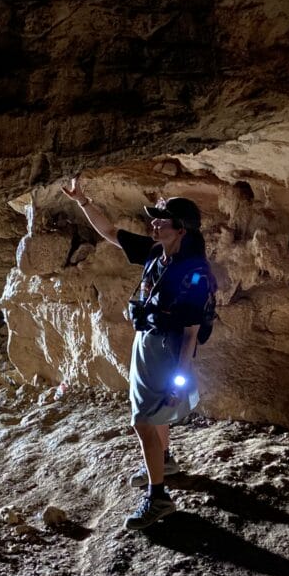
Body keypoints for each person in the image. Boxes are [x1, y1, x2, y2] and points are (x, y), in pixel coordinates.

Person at [61, 177, 214, 530]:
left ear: (182, 230)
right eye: (156, 218)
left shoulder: (192, 273)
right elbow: (111, 232)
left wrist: (182, 375)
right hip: (147, 343)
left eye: (162, 220)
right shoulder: (154, 253)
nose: (155, 223)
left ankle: (158, 497)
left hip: (168, 348)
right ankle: (165, 461)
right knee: (152, 415)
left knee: (143, 420)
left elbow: (191, 333)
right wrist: (83, 200)